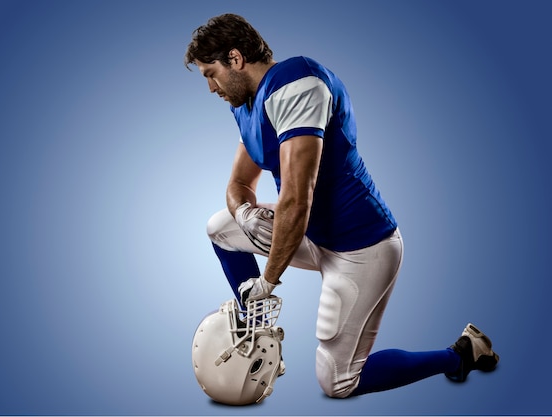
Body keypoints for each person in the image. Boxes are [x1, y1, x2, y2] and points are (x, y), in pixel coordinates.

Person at [184, 13, 499, 398]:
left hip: (361, 247)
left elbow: (298, 199)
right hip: (313, 235)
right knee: (222, 228)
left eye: (210, 73)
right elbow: (238, 184)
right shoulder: (247, 105)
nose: (211, 87)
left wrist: (267, 280)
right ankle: (257, 333)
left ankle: (461, 354)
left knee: (338, 382)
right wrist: (245, 213)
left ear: (235, 59)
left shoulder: (297, 84)